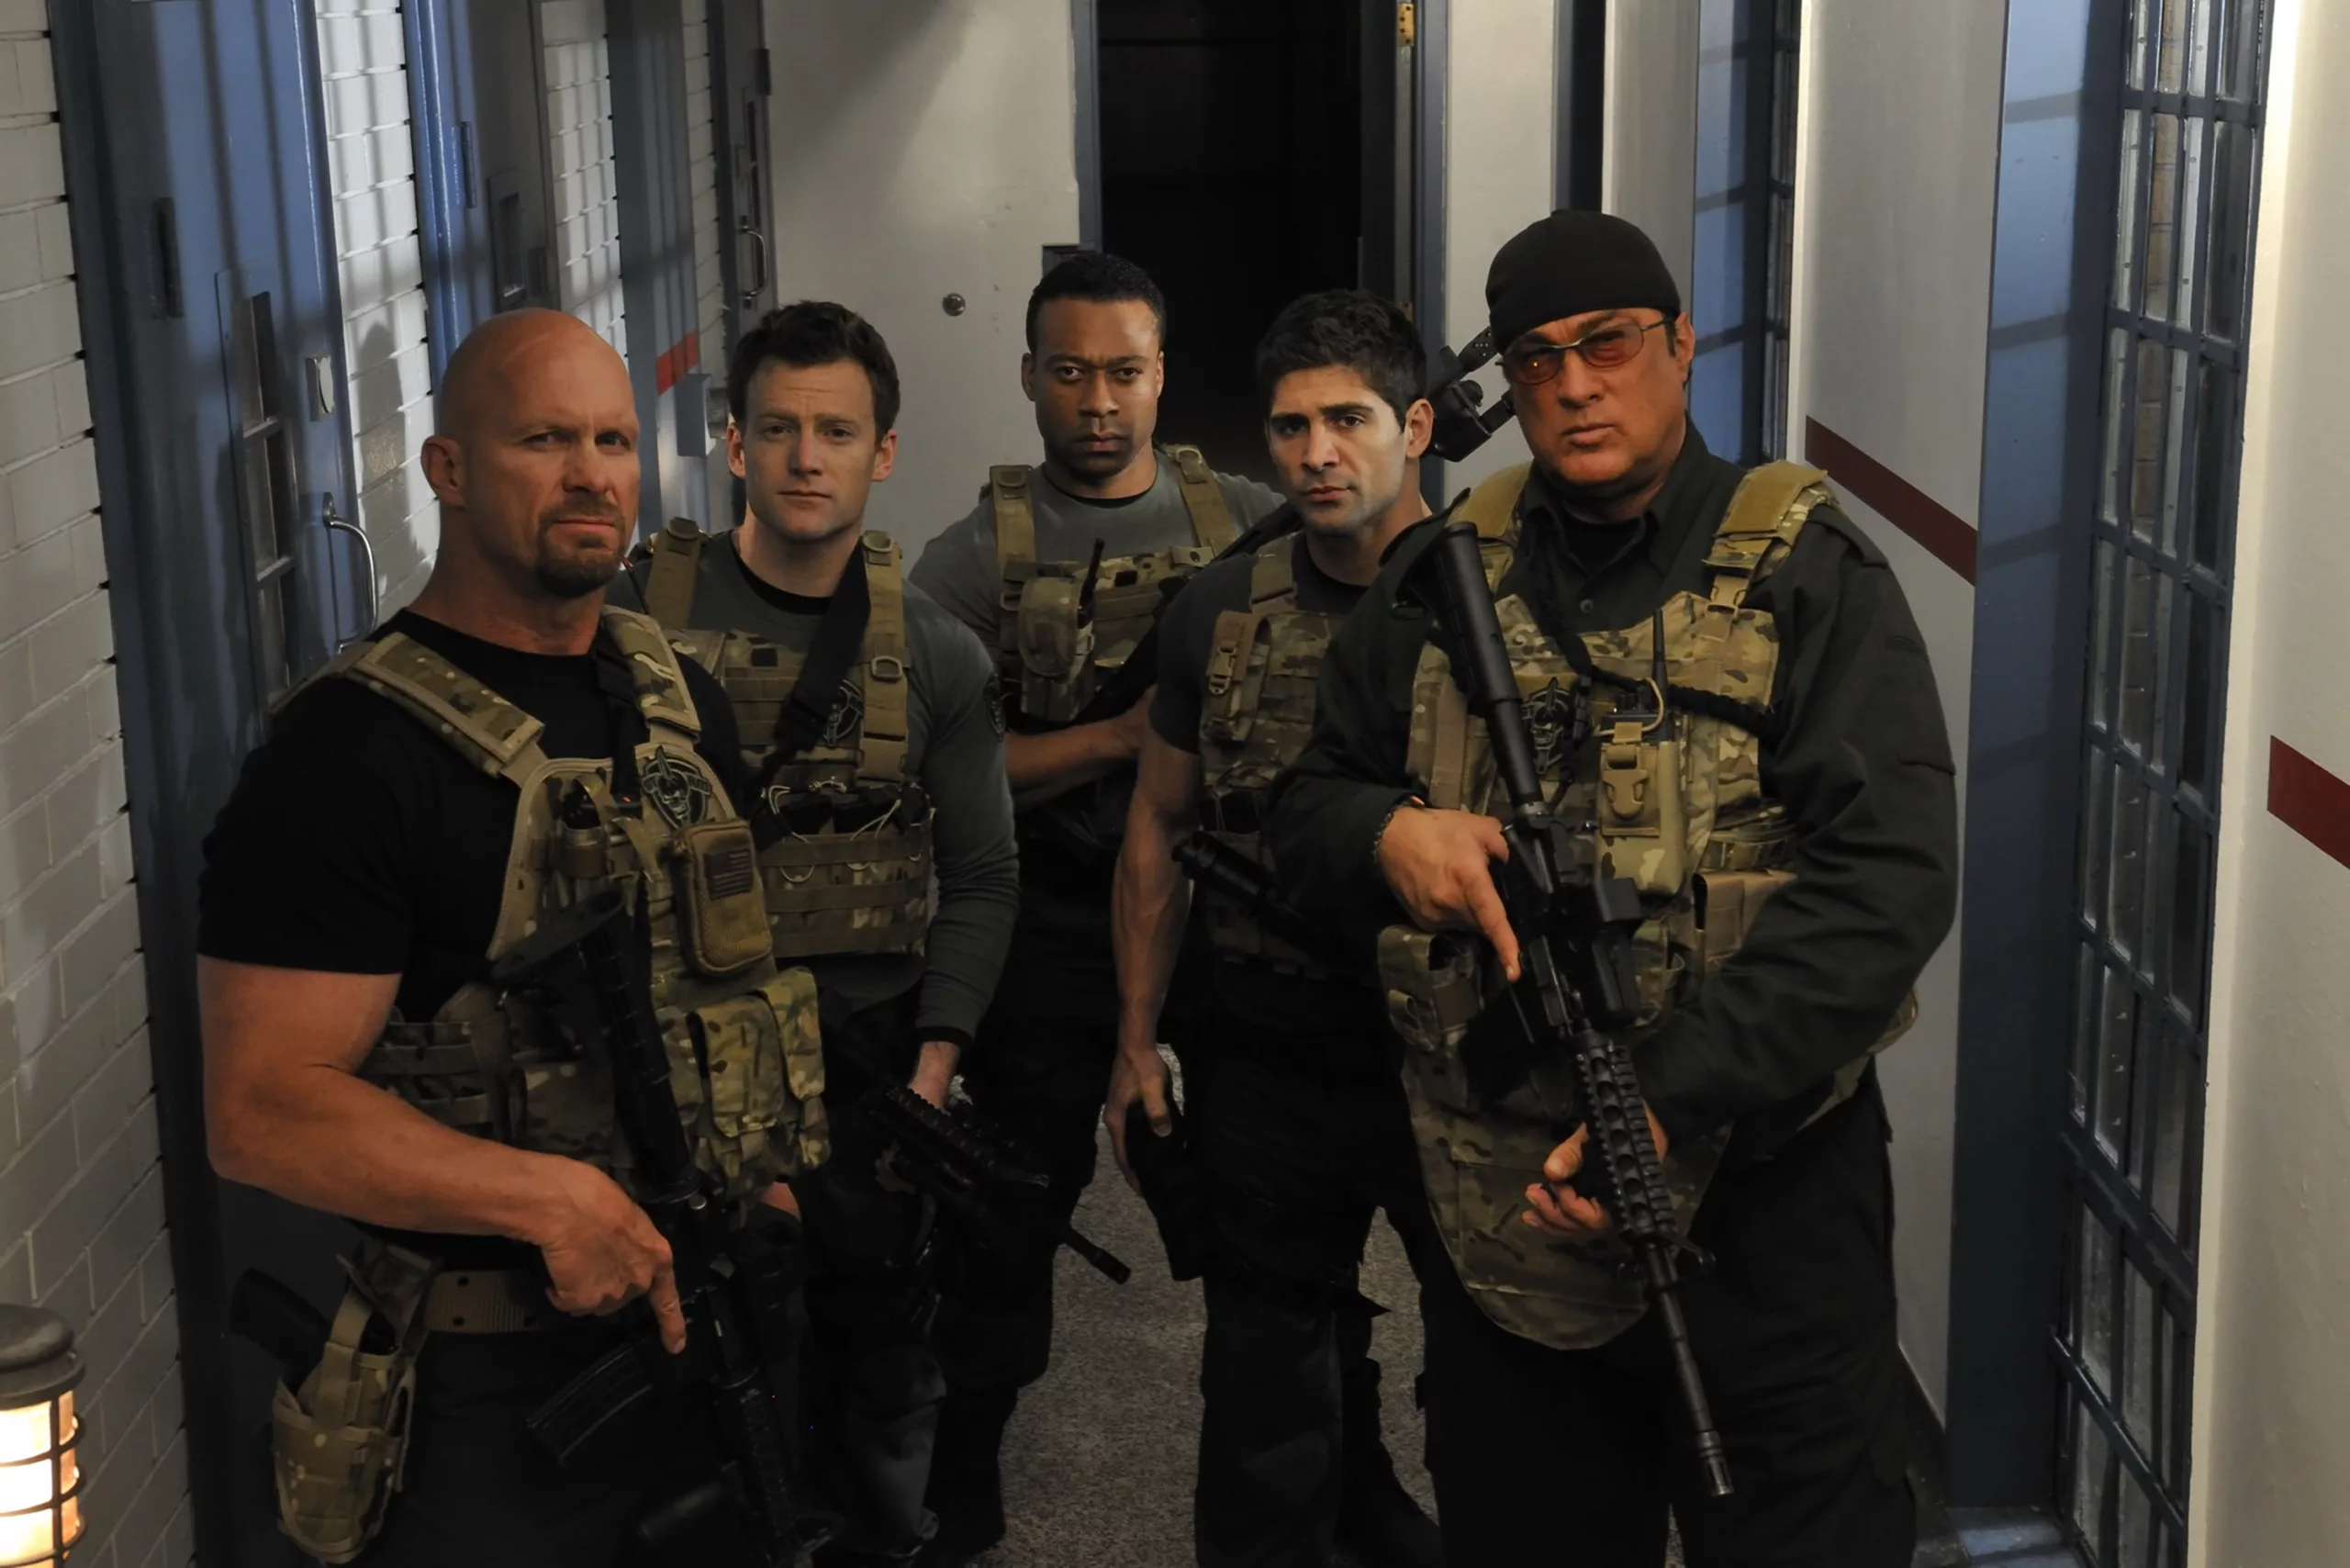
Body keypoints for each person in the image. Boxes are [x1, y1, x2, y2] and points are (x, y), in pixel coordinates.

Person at [1264, 209, 1959, 1567]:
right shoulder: (1445, 571)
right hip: (1503, 1207)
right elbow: (1302, 808)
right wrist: (1388, 837)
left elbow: (1890, 878)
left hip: (1766, 1200)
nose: (1576, 385)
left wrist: (1667, 1093)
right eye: (1537, 359)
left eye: (1610, 345)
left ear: (1682, 346)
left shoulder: (1807, 571)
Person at [197, 309, 824, 1566]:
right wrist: (548, 1199)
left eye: (612, 440)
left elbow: (725, 983)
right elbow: (261, 1110)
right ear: (448, 469)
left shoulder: (678, 702)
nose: (591, 475)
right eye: (544, 441)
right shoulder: (348, 756)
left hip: (709, 1316)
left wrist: (767, 1187)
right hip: (486, 1384)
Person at [609, 300, 1019, 1567]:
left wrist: (933, 1073)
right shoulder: (630, 625)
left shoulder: (935, 651)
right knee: (690, 1376)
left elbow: (983, 875)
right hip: (674, 1073)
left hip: (863, 1068)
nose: (804, 458)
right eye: (777, 428)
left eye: (836, 432)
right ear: (734, 443)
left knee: (878, 1365)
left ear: (881, 452)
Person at [908, 252, 1284, 1562]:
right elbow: (949, 771)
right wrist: (1122, 738)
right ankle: (963, 1470)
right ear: (1029, 378)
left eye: (1125, 371)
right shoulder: (971, 560)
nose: (1100, 400)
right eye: (1070, 372)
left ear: (1163, 375)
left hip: (1224, 904)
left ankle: (1311, 1469)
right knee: (1008, 1204)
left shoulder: (1248, 522)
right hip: (1053, 917)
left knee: (1273, 1193)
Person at [1108, 290, 1445, 1568]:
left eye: (1349, 420)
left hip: (1447, 1053)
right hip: (1265, 1046)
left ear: (1416, 426)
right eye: (1292, 427)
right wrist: (1136, 1040)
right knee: (1263, 1367)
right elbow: (1158, 824)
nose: (1317, 454)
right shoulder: (1221, 609)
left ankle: (1378, 1503)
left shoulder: (1492, 604)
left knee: (1492, 1360)